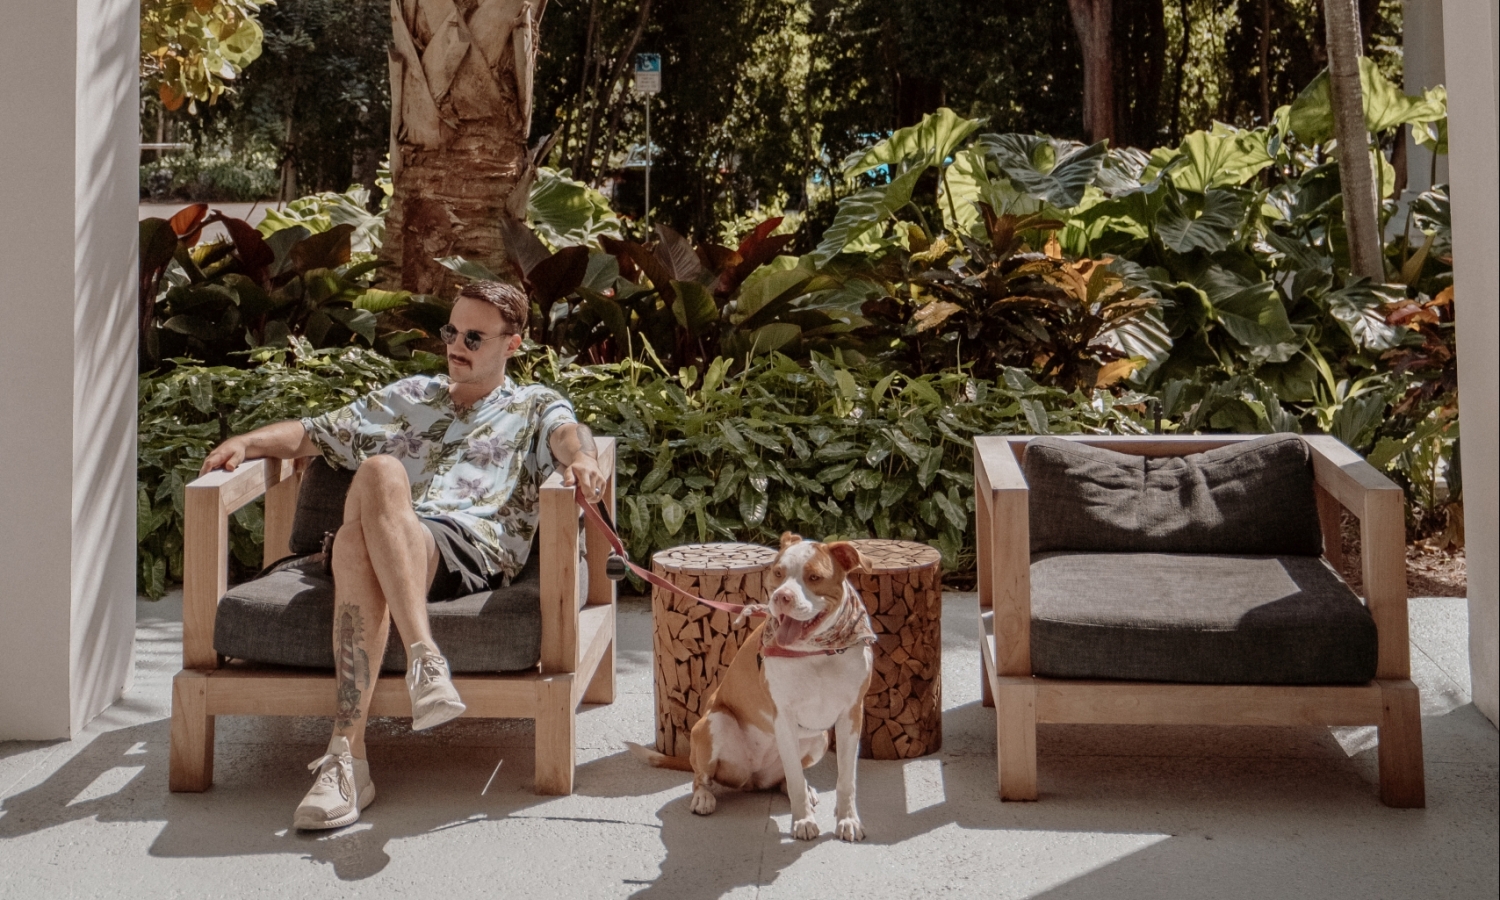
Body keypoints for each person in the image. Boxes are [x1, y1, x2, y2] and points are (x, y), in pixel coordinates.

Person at [198, 280, 605, 830]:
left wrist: (580, 461)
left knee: (371, 496)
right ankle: (421, 665)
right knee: (375, 485)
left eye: (474, 337)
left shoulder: (532, 406)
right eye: (450, 330)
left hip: (459, 548)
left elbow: (567, 435)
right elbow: (313, 433)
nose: (456, 344)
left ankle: (346, 756)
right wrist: (247, 442)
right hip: (371, 543)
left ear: (513, 344)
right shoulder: (408, 396)